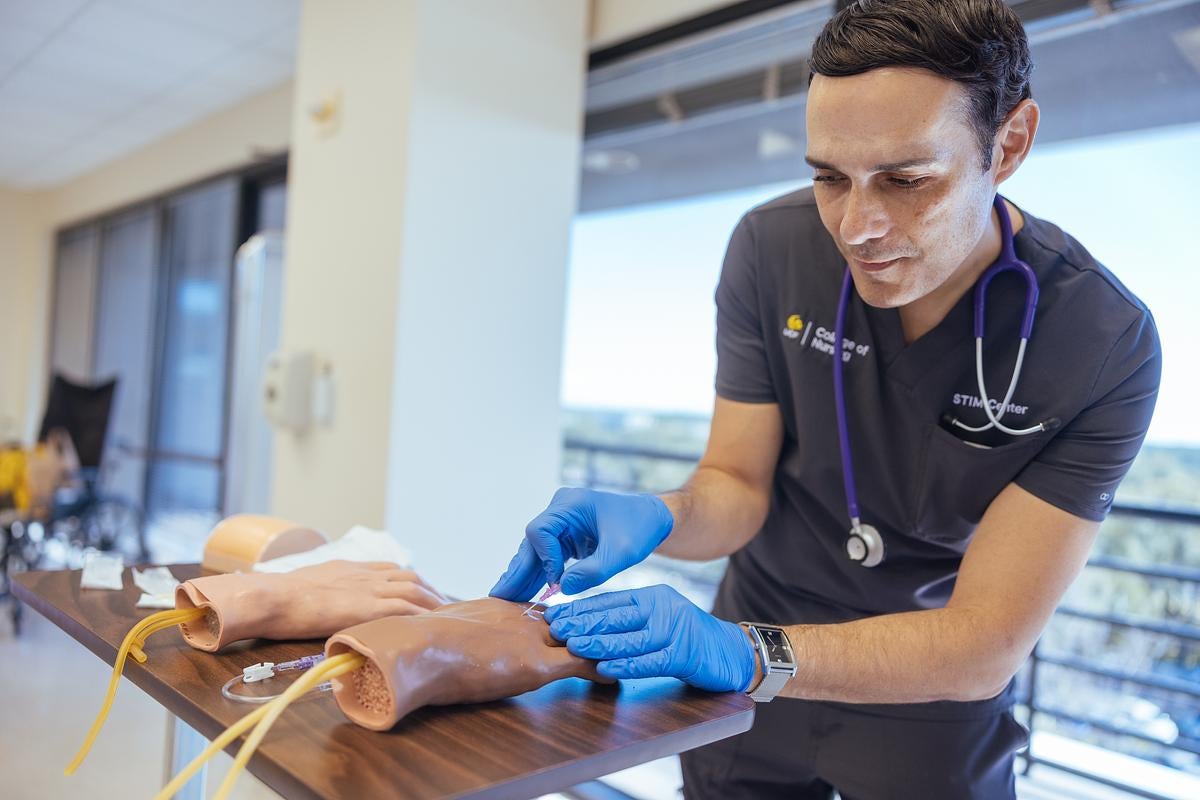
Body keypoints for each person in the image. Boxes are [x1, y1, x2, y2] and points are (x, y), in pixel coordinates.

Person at [491, 1, 1161, 797]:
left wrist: (752, 654)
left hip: (926, 680)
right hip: (754, 639)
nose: (858, 226)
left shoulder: (1101, 340)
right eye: (828, 178)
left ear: (1008, 143)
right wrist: (665, 514)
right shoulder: (769, 250)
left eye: (907, 181)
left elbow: (984, 641)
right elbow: (735, 488)